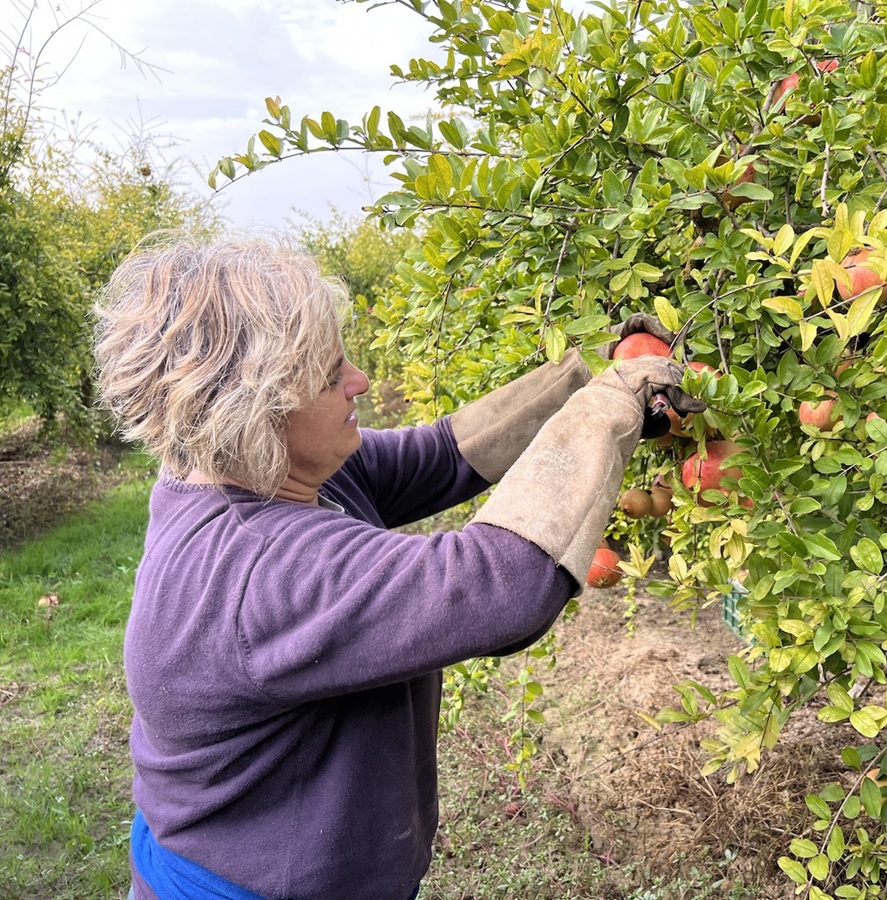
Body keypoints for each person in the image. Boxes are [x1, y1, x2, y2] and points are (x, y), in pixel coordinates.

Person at [93, 236, 704, 900]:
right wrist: (606, 414)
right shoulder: (253, 569)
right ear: (254, 413)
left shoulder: (263, 467)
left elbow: (445, 453)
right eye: (330, 376)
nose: (358, 380)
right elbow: (502, 584)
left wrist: (586, 379)